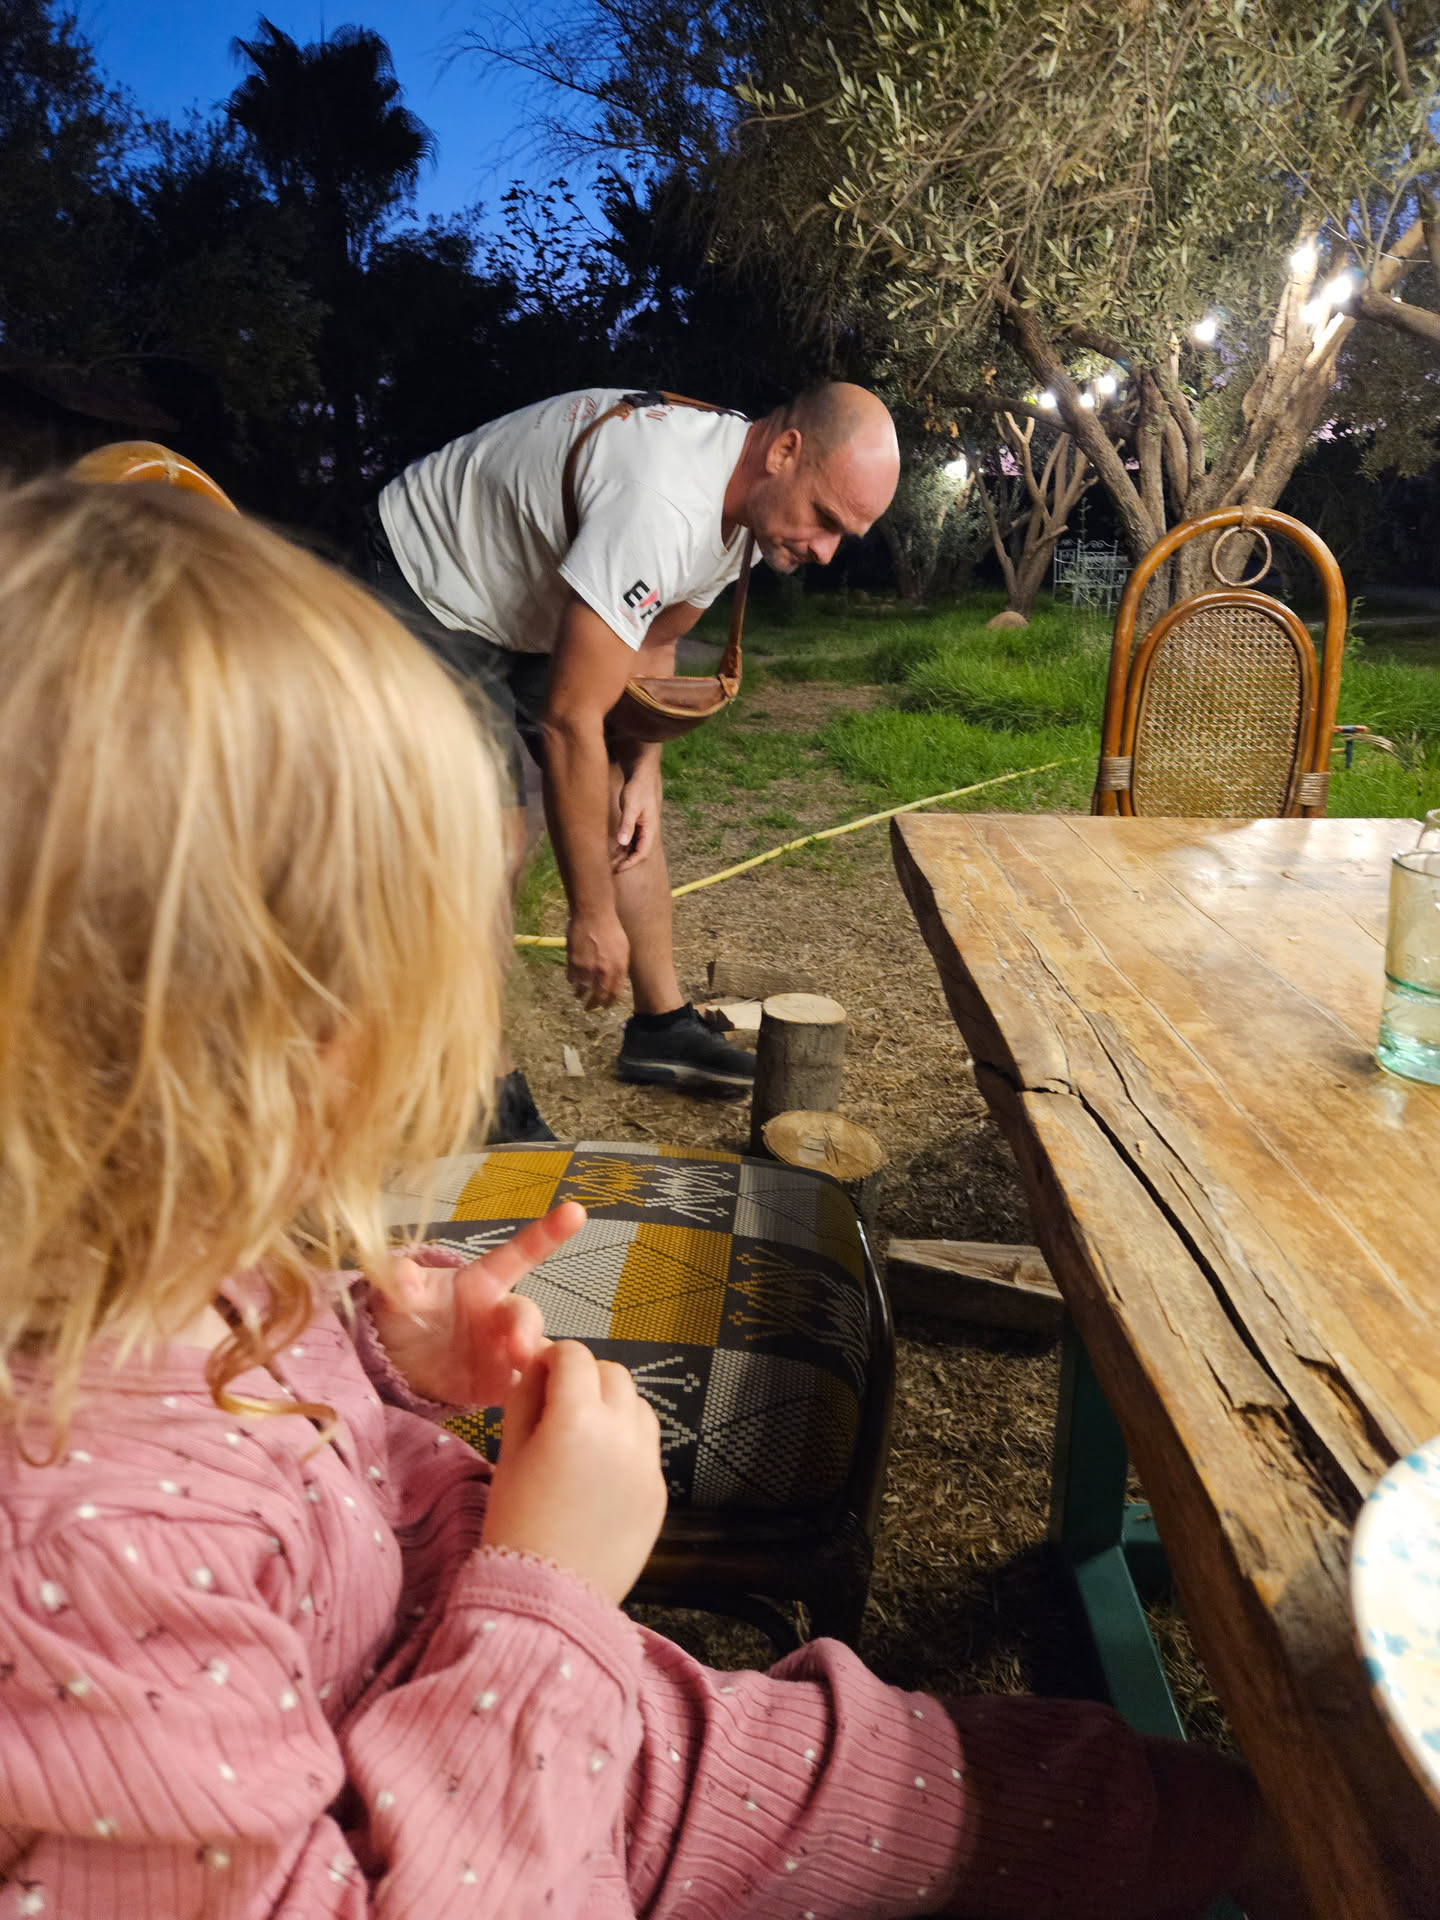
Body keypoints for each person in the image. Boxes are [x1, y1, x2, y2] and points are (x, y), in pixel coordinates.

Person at [0, 477, 1311, 1919]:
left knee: (995, 1780)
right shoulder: (77, 1562)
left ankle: (1283, 1838)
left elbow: (263, 1392)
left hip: (531, 1711)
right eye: (406, 978)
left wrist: (386, 1352)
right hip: (512, 1788)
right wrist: (550, 1588)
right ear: (212, 1052)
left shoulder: (155, 1240)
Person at [366, 383, 902, 1136]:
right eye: (824, 518)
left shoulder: (745, 504)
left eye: (846, 534)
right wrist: (589, 915)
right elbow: (569, 723)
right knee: (490, 836)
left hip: (536, 592)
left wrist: (644, 767)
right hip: (431, 577)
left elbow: (654, 641)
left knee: (622, 801)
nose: (825, 551)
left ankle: (659, 1026)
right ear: (785, 452)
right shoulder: (663, 501)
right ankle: (481, 1090)